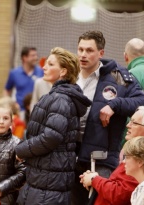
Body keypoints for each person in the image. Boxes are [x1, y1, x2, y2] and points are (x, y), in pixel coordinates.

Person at [72, 30, 144, 204]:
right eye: (80, 49)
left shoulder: (117, 78)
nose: (83, 55)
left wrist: (115, 105)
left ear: (101, 53)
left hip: (100, 158)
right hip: (69, 154)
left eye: (89, 50)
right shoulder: (71, 75)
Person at [15, 47, 91, 205]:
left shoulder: (60, 100)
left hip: (49, 181)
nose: (44, 67)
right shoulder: (56, 96)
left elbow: (51, 137)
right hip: (44, 177)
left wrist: (20, 149)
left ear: (63, 72)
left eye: (50, 64)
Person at [80, 106, 144, 205]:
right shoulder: (143, 151)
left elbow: (120, 194)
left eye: (134, 123)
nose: (128, 125)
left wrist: (95, 180)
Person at [4, 46, 43, 117]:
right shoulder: (14, 73)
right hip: (20, 111)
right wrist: (7, 105)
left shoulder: (41, 72)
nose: (36, 58)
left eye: (36, 55)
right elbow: (7, 90)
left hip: (37, 111)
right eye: (33, 55)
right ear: (24, 58)